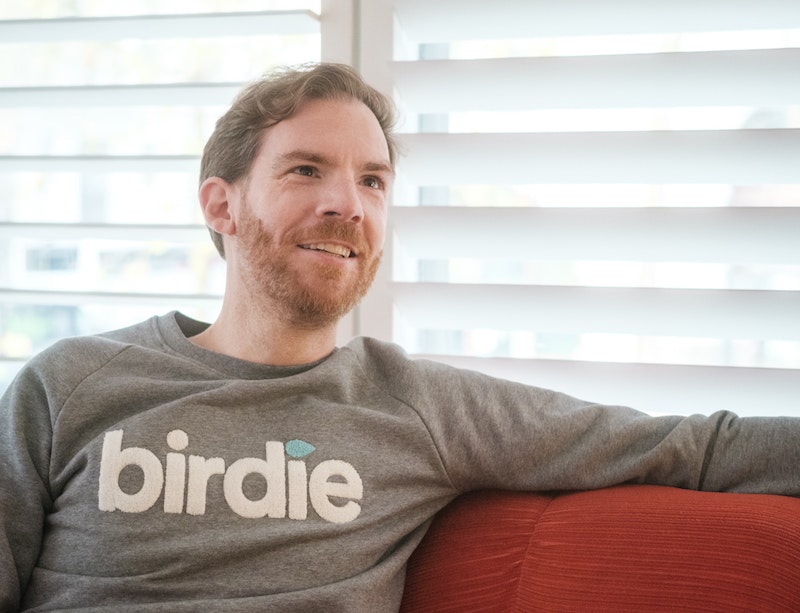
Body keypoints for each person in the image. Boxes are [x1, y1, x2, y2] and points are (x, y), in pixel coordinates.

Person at [1, 62, 798, 613]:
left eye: (373, 180)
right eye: (306, 170)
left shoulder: (420, 408)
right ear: (221, 206)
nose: (348, 204)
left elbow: (689, 446)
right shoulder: (69, 383)